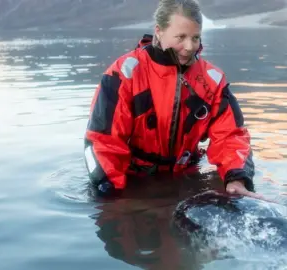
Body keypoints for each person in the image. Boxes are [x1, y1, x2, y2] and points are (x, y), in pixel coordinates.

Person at [83, 0, 262, 200]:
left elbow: (231, 136)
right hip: (134, 181)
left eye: (195, 38)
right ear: (159, 31)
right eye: (181, 37)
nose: (189, 46)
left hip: (187, 176)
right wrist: (111, 195)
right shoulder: (124, 74)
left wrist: (236, 179)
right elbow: (103, 142)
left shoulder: (213, 80)